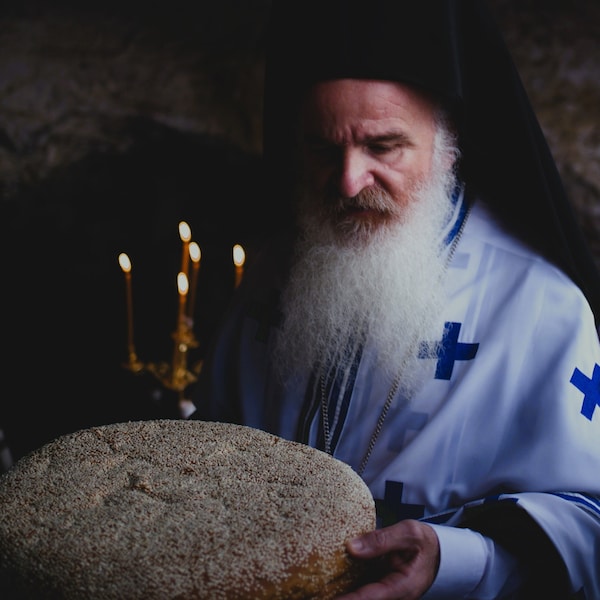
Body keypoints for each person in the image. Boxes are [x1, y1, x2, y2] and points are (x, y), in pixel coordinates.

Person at [190, 1, 600, 597]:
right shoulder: (278, 267)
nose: (349, 181)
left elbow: (591, 529)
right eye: (324, 150)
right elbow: (213, 441)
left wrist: (458, 559)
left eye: (382, 147)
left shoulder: (541, 308)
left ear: (448, 138)